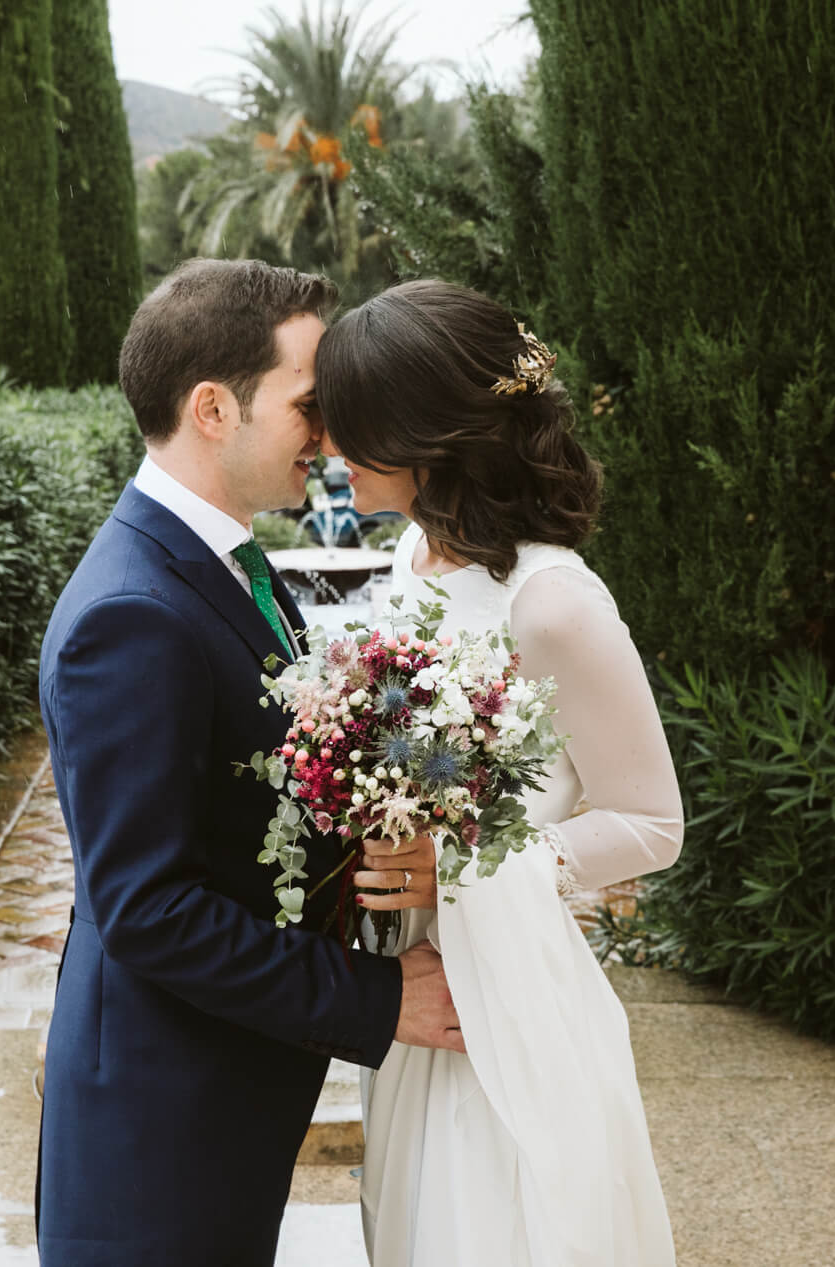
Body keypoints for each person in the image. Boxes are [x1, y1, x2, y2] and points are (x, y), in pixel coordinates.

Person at [34, 258, 465, 1267]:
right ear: (213, 408)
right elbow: (145, 909)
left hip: (219, 1098)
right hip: (159, 1135)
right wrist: (379, 996)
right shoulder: (131, 614)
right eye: (309, 404)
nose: (329, 433)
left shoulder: (222, 559)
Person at [315, 279, 685, 1265]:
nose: (326, 450)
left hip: (511, 1005)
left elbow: (652, 819)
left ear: (423, 435)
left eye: (349, 427)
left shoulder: (552, 600)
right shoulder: (411, 555)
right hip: (414, 989)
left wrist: (467, 867)